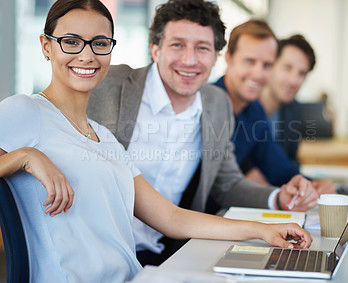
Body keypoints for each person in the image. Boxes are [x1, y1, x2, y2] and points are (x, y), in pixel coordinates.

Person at [0, 0, 313, 281]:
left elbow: (171, 217)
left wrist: (264, 231)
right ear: (46, 46)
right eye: (70, 42)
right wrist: (25, 156)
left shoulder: (104, 138)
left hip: (138, 272)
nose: (87, 54)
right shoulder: (25, 111)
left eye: (99, 43)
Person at [88, 0, 318, 267]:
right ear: (155, 49)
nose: (190, 60)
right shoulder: (107, 84)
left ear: (217, 56)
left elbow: (227, 182)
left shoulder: (217, 103)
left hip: (164, 254)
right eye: (177, 45)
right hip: (99, 251)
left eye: (202, 48)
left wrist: (277, 198)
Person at [214, 19, 305, 187]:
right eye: (250, 61)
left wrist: (313, 187)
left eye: (267, 65)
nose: (258, 74)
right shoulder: (205, 105)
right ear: (229, 58)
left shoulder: (254, 111)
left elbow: (280, 170)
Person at [243, 34, 335, 193]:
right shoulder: (244, 105)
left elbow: (289, 166)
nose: (294, 80)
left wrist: (313, 185)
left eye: (302, 73)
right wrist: (241, 175)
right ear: (270, 65)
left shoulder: (293, 110)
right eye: (287, 68)